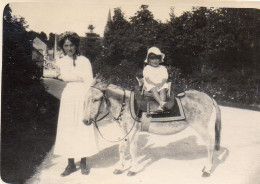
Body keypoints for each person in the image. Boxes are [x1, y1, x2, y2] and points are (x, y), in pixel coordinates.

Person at [53, 31, 98, 176]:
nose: (69, 48)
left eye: (71, 45)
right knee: (68, 128)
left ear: (76, 45)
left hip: (82, 95)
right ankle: (70, 164)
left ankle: (83, 162)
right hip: (68, 97)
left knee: (82, 127)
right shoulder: (60, 61)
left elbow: (89, 81)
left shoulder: (84, 60)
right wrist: (73, 77)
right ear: (62, 47)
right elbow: (63, 77)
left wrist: (88, 98)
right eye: (66, 46)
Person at [143, 47, 169, 112]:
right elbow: (147, 78)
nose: (155, 61)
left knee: (163, 90)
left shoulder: (162, 68)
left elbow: (165, 77)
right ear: (148, 60)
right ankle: (161, 102)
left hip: (160, 83)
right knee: (153, 88)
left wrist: (161, 83)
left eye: (157, 58)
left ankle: (161, 107)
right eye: (152, 59)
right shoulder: (147, 68)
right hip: (151, 83)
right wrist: (154, 84)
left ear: (160, 60)